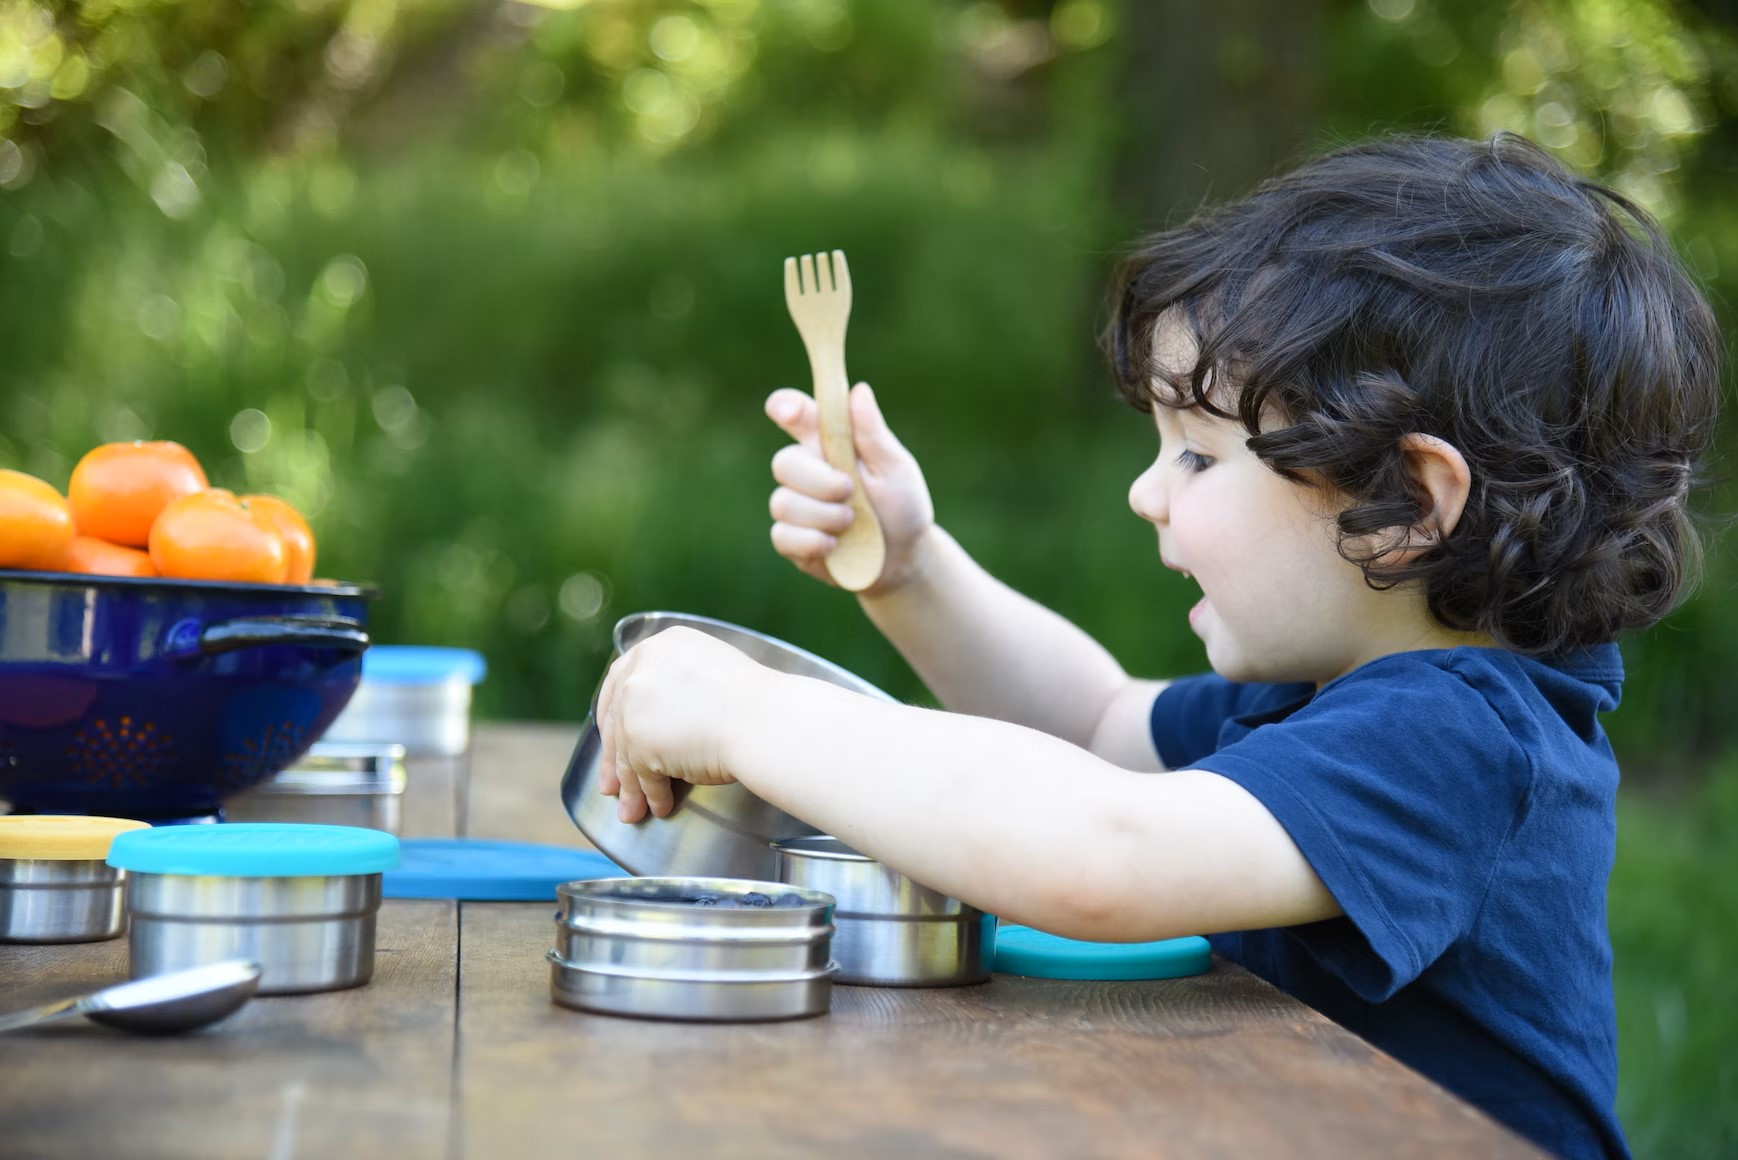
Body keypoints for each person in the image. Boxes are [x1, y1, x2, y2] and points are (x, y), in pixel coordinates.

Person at [593, 132, 1722, 1159]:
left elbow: (1101, 854)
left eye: (1195, 454)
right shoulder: (1330, 695)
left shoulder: (1463, 739)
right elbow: (1090, 721)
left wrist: (751, 714)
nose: (1145, 491)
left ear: (1408, 504)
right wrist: (913, 568)